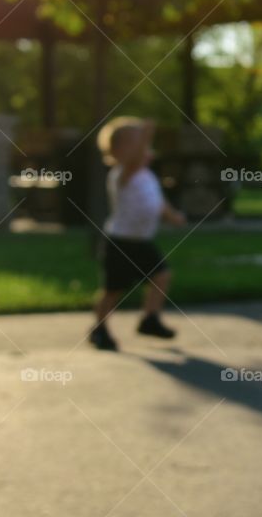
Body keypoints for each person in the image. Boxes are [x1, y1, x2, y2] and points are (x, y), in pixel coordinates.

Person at [89, 117, 186, 351]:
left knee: (161, 276)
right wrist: (147, 134)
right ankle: (99, 328)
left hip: (142, 242)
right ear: (117, 151)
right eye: (137, 144)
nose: (145, 149)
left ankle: (149, 319)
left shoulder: (147, 177)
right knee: (113, 290)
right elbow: (133, 161)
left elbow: (159, 204)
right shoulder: (121, 174)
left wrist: (174, 217)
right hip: (120, 243)